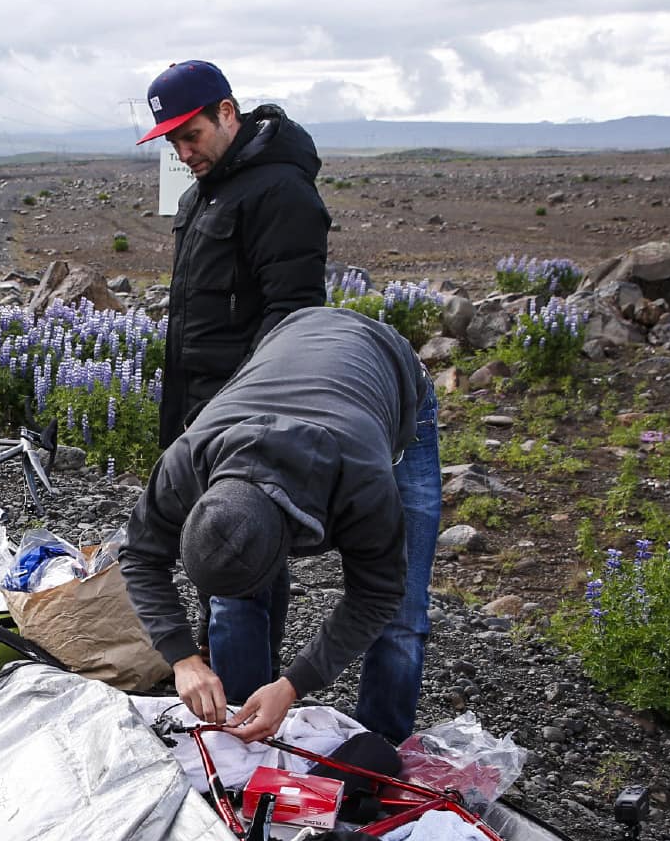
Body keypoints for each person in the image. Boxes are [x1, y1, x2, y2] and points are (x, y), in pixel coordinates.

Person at [119, 306, 440, 745]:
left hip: (389, 374)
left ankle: (378, 750)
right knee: (234, 592)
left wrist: (293, 684)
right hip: (290, 344)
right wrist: (183, 658)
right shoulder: (187, 462)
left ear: (292, 542)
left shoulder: (361, 481)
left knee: (403, 613)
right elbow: (140, 555)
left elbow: (377, 593)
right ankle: (245, 730)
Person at [139, 60, 329, 450]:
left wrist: (236, 404)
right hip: (193, 411)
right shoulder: (199, 194)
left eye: (192, 136)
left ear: (226, 112)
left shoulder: (280, 190)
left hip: (244, 419)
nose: (184, 153)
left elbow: (291, 314)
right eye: (173, 142)